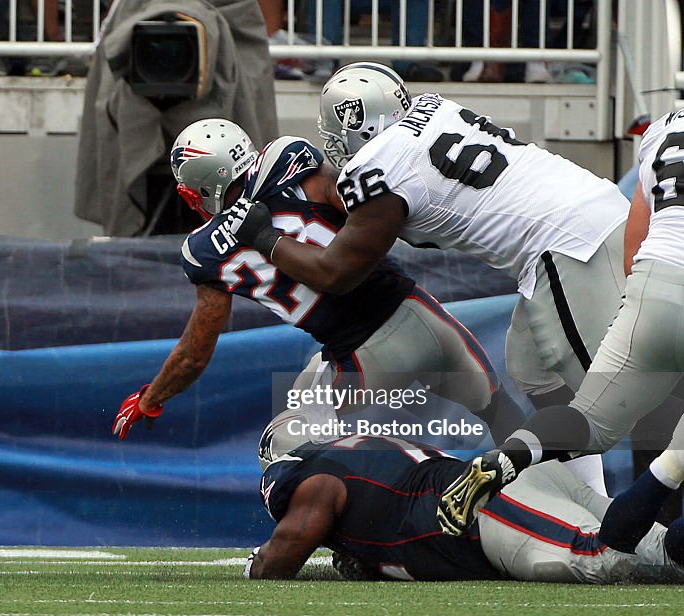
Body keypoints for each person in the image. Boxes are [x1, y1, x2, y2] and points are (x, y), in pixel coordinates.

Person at [224, 61, 629, 499]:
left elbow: (336, 273)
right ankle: (587, 501)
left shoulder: (378, 165)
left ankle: (650, 518)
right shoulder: (436, 110)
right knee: (533, 370)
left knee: (617, 396)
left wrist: (264, 238)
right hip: (584, 218)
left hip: (570, 244)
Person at [112, 118, 525, 443]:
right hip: (422, 314)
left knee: (287, 451)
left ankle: (353, 543)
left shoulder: (204, 250)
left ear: (198, 188)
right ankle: (564, 508)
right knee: (503, 415)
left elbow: (193, 355)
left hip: (362, 356)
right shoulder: (290, 160)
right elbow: (363, 205)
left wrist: (152, 399)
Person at [423, 106, 684, 536]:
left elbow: (634, 244)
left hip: (651, 288)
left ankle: (508, 458)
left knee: (589, 421)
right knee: (668, 447)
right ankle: (663, 518)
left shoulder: (663, 129)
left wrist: (637, 312)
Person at [246, 411, 684, 583]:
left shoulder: (316, 479)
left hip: (489, 512)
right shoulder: (356, 455)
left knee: (609, 558)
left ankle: (673, 462)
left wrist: (254, 566)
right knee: (662, 550)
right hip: (515, 487)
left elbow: (278, 562)